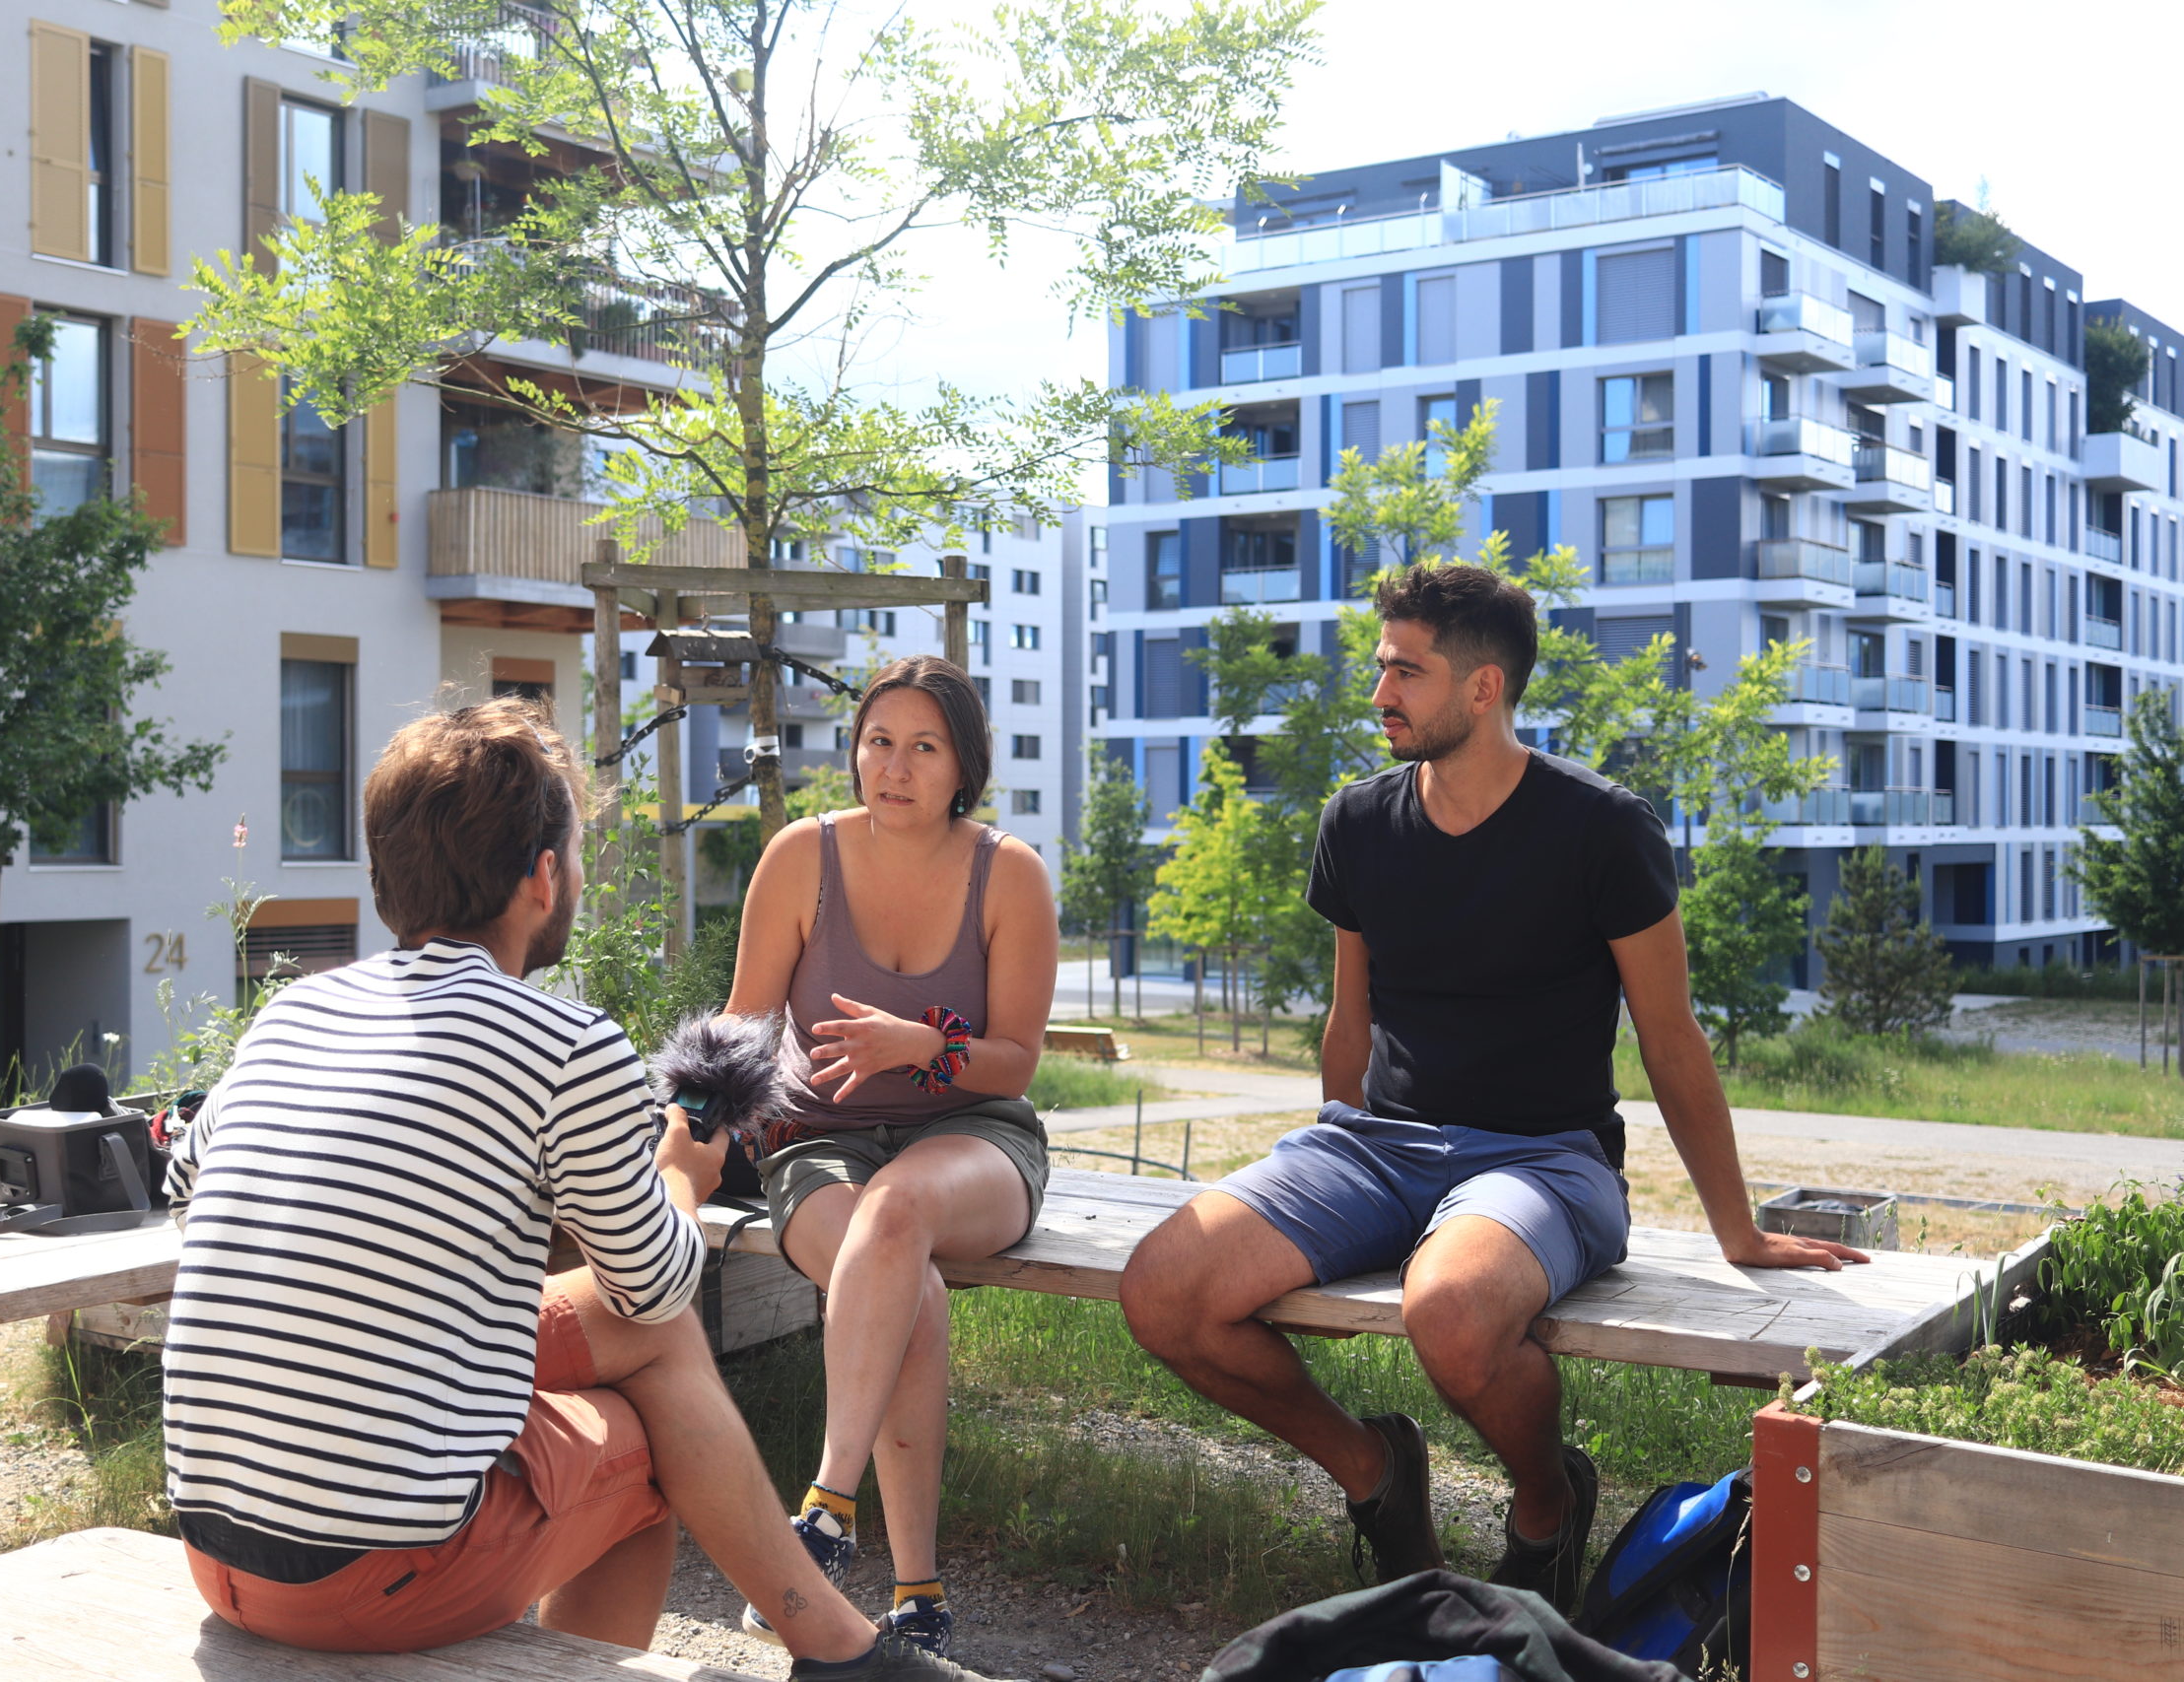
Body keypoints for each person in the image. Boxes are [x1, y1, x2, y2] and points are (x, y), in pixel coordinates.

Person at [160, 697, 996, 1682]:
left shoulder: (291, 1016)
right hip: (374, 1577)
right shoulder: (563, 1046)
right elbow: (657, 1289)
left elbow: (191, 1194)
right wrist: (679, 1177)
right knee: (645, 1451)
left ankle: (836, 1646)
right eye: (575, 854)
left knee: (613, 1346)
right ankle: (838, 1651)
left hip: (216, 1554)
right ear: (543, 876)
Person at [1119, 564, 1867, 1614]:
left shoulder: (1603, 830)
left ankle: (1547, 1503)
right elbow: (1351, 1019)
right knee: (1162, 1290)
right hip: (1371, 1147)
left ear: (1482, 690)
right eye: (1380, 666)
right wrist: (1313, 1194)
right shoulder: (1358, 821)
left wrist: (1736, 1232)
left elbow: (1670, 1039)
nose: (1379, 693)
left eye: (1405, 672)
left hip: (1541, 1161)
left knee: (1454, 1315)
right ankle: (1374, 1472)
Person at [723, 655, 1058, 1656]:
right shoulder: (798, 856)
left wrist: (922, 1045)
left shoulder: (1010, 872)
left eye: (923, 747)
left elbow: (1016, 1060)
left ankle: (825, 1506)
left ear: (964, 766)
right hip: (821, 1141)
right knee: (905, 1289)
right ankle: (918, 1591)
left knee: (898, 1216)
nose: (895, 766)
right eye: (878, 742)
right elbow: (742, 1027)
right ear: (854, 752)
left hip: (973, 1137)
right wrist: (681, 1142)